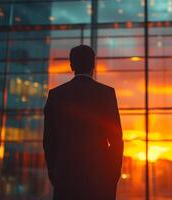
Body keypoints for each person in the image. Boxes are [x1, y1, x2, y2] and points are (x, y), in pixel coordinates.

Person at [43, 45, 123, 200]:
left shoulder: (56, 95)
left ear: (71, 65)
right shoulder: (106, 94)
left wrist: (55, 174)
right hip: (100, 178)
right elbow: (115, 140)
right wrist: (112, 176)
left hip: (65, 177)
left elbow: (49, 141)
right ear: (93, 64)